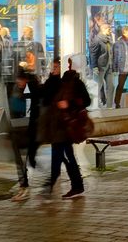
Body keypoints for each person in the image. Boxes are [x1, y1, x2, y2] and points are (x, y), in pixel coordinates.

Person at [46, 62, 89, 199]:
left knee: (65, 157)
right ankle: (72, 185)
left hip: (67, 126)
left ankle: (69, 185)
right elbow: (46, 97)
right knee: (62, 156)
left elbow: (85, 101)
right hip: (57, 125)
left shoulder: (76, 83)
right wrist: (52, 77)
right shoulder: (58, 81)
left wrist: (69, 104)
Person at [10, 67, 42, 201]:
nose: (18, 82)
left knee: (26, 159)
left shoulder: (31, 88)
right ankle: (24, 186)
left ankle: (25, 187)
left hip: (30, 128)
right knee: (24, 159)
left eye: (19, 80)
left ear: (24, 79)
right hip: (25, 128)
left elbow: (28, 109)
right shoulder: (25, 88)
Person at [89, 23, 115, 108]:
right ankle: (93, 105)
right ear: (103, 29)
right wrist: (94, 67)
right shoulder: (97, 40)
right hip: (100, 67)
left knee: (111, 87)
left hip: (109, 66)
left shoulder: (109, 39)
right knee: (97, 87)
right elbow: (93, 54)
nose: (110, 31)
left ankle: (109, 107)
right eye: (109, 29)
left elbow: (111, 53)